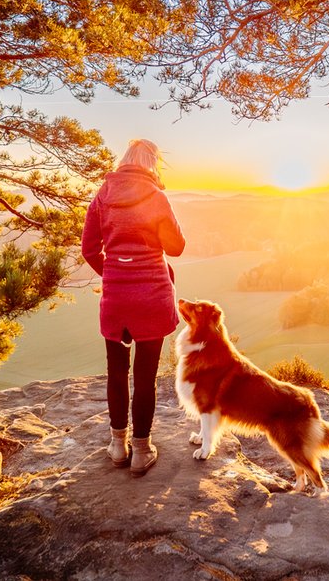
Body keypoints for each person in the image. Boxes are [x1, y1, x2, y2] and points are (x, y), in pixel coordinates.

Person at [81, 139, 186, 476]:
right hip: (153, 295)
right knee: (145, 377)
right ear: (153, 163)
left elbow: (89, 249)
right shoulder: (156, 197)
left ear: (124, 161)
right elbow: (176, 247)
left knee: (116, 372)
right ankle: (141, 450)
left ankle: (117, 445)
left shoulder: (102, 196)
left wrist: (114, 272)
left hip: (116, 297)